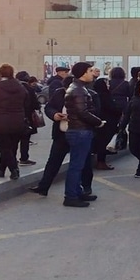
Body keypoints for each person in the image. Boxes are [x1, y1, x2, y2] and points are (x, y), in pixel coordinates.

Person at [62, 62, 105, 208]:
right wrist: (98, 122)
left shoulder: (78, 88)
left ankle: (76, 192)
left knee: (78, 165)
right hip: (80, 131)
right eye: (89, 70)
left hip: (79, 130)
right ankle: (71, 196)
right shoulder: (78, 90)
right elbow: (83, 112)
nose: (92, 73)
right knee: (76, 165)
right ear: (82, 73)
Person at [15, 71, 39, 166]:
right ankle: (24, 158)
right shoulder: (29, 89)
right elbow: (35, 104)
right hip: (26, 117)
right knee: (25, 139)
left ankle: (13, 158)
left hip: (14, 116)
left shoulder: (13, 87)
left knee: (14, 139)